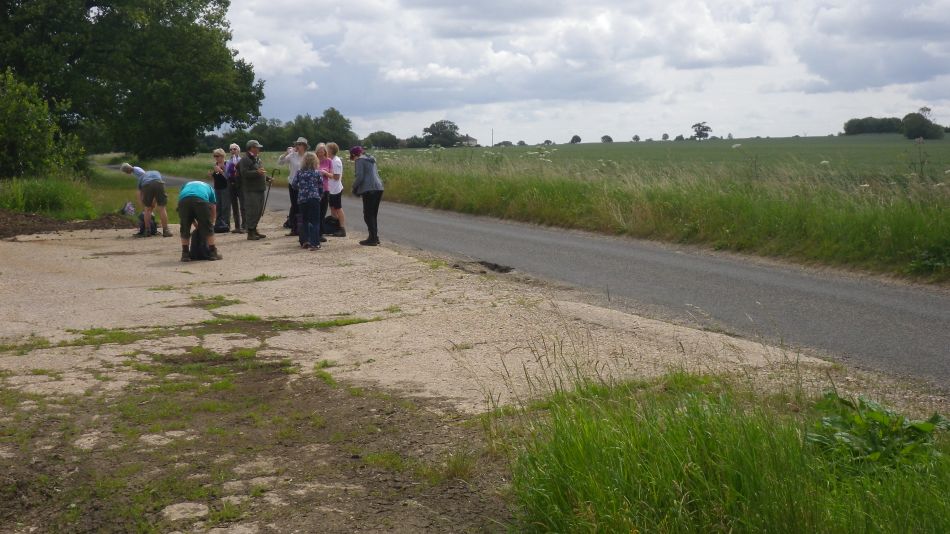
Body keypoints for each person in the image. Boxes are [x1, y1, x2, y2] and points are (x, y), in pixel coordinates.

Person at [120, 162, 172, 237]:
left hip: (147, 185)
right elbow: (159, 184)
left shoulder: (142, 176)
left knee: (147, 209)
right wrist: (154, 201)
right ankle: (166, 231)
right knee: (162, 208)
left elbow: (139, 193)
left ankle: (147, 231)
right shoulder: (156, 172)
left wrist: (142, 204)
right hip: (159, 184)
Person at [177, 180, 222, 262]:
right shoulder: (209, 188)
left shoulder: (185, 185)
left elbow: (187, 210)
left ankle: (185, 254)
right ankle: (212, 253)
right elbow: (213, 207)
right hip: (200, 200)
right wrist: (211, 222)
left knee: (184, 227)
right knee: (208, 228)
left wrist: (194, 223)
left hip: (183, 201)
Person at [349, 146, 384, 246]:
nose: (353, 159)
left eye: (352, 157)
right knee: (373, 214)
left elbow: (360, 176)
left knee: (368, 215)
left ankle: (372, 238)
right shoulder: (371, 159)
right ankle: (375, 237)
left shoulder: (359, 161)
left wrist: (354, 187)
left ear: (354, 155)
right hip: (379, 188)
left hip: (369, 189)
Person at [237, 139, 271, 240]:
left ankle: (254, 229)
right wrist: (257, 173)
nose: (259, 149)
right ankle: (250, 232)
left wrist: (267, 178)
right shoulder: (245, 159)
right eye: (257, 147)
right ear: (251, 148)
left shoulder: (257, 159)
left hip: (259, 189)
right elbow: (244, 173)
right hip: (251, 190)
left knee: (258, 210)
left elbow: (261, 171)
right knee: (252, 210)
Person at [277, 137, 308, 237]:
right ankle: (294, 229)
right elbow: (280, 162)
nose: (297, 146)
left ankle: (302, 229)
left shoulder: (308, 156)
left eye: (300, 144)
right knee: (295, 206)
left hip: (304, 185)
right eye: (297, 144)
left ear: (304, 146)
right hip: (293, 184)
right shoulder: (292, 155)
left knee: (302, 206)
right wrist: (286, 153)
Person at [295, 151, 324, 250]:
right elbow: (321, 186)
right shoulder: (317, 173)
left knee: (304, 221)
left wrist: (301, 189)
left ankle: (305, 241)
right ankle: (315, 243)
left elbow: (294, 184)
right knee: (315, 221)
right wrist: (319, 195)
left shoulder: (299, 172)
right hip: (314, 198)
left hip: (302, 199)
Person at [326, 142, 347, 237]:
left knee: (338, 208)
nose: (326, 150)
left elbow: (337, 177)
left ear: (331, 150)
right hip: (331, 189)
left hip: (336, 189)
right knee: (332, 207)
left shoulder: (336, 161)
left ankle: (342, 228)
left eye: (327, 148)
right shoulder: (330, 160)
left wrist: (325, 173)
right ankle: (335, 226)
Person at [225, 143, 246, 233]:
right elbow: (226, 173)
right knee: (234, 206)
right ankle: (237, 226)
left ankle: (245, 225)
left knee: (243, 205)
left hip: (240, 184)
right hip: (231, 184)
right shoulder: (228, 161)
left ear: (238, 150)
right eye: (231, 149)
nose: (233, 151)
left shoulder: (242, 160)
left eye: (234, 149)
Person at [208, 148, 231, 232]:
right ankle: (218, 224)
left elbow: (228, 177)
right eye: (215, 156)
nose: (216, 158)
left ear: (222, 156)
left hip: (225, 187)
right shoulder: (216, 164)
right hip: (217, 188)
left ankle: (226, 224)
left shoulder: (227, 163)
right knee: (218, 206)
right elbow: (215, 177)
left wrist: (221, 171)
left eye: (217, 156)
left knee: (225, 206)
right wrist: (211, 175)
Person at [315, 143, 333, 242]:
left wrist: (325, 173)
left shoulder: (329, 161)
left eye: (323, 151)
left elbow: (332, 175)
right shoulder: (314, 160)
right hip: (315, 189)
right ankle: (314, 232)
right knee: (315, 212)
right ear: (316, 151)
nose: (321, 153)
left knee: (322, 212)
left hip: (325, 189)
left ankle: (320, 233)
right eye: (319, 151)